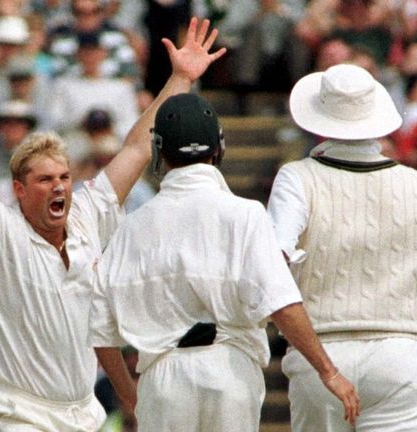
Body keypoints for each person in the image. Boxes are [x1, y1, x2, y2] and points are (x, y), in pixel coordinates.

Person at [0, 17, 226, 431]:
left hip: (82, 412)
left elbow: (138, 147)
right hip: (19, 413)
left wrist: (179, 79)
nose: (58, 187)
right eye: (45, 180)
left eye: (64, 177)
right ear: (20, 190)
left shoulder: (87, 214)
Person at [88, 92, 360, 431]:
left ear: (159, 150)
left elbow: (99, 325)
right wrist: (328, 372)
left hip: (164, 376)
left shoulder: (132, 226)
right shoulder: (245, 215)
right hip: (230, 371)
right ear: (219, 147)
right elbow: (282, 304)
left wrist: (131, 397)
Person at [267, 63, 417, 431]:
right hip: (400, 354)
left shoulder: (297, 177)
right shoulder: (412, 183)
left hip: (321, 351)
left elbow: (271, 263)